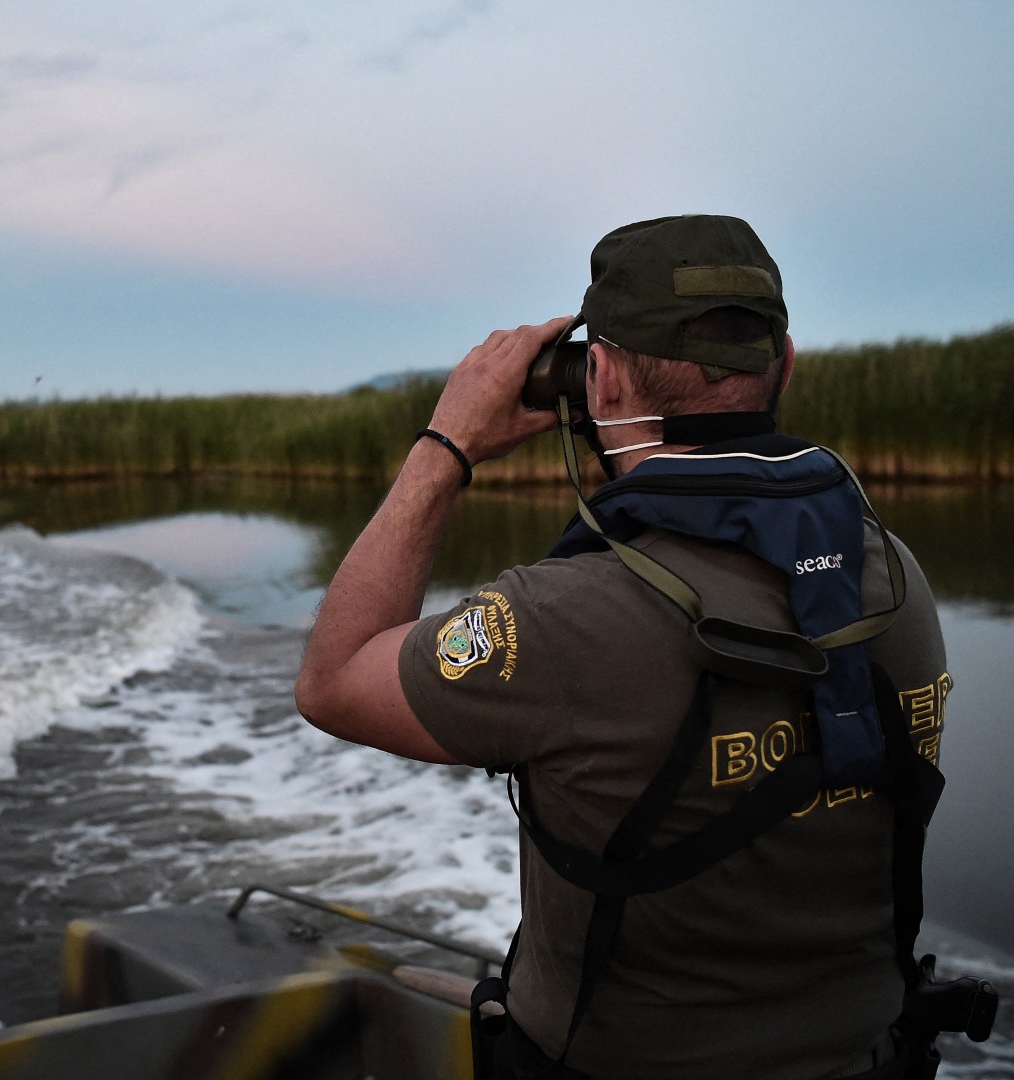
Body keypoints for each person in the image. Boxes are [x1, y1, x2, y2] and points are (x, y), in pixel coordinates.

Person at [295, 215, 959, 1080]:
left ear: (597, 377)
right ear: (783, 364)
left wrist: (445, 446)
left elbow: (333, 681)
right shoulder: (893, 573)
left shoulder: (568, 616)